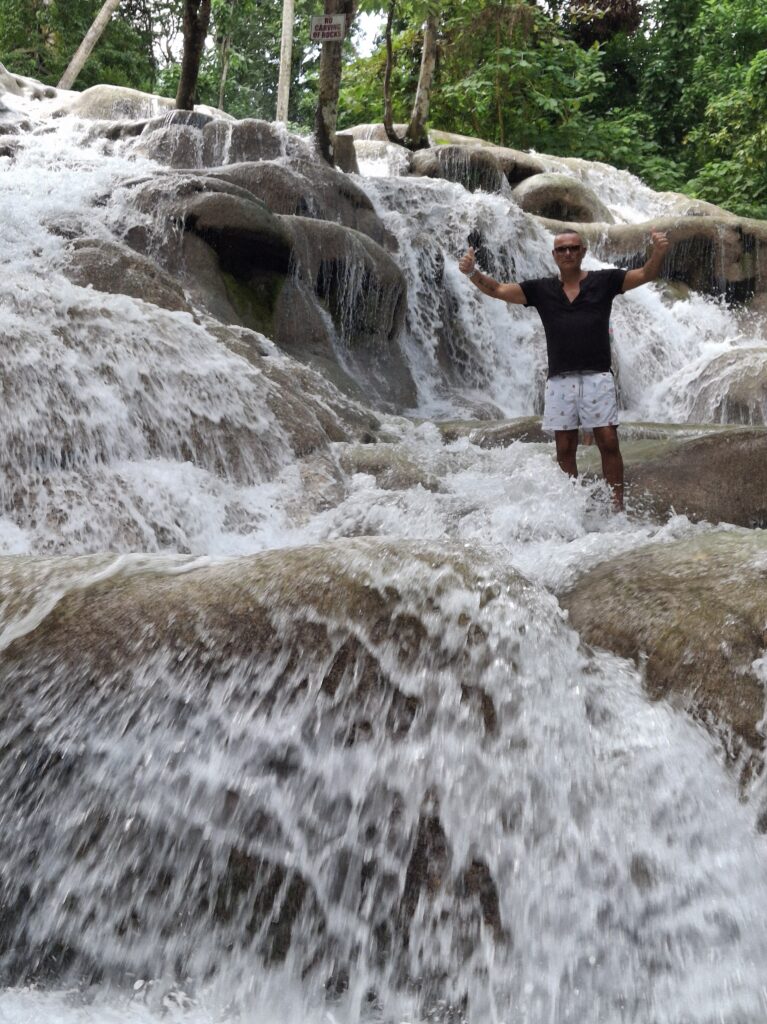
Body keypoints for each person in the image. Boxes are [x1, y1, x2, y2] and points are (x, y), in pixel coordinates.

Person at [458, 228, 670, 509]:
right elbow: (497, 290)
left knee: (608, 441)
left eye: (573, 248)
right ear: (554, 255)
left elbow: (645, 274)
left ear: (583, 252)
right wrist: (472, 273)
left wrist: (658, 252)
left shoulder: (605, 281)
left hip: (597, 376)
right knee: (565, 447)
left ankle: (617, 505)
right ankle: (572, 505)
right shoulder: (541, 289)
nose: (568, 253)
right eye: (562, 249)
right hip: (559, 380)